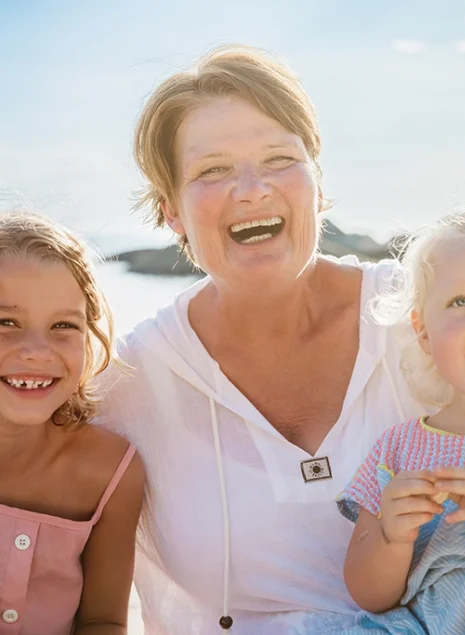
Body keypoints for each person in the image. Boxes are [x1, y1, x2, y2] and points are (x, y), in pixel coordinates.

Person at [96, 45, 428, 635]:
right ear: (170, 210)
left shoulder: (425, 318)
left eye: (278, 158)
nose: (251, 189)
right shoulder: (129, 381)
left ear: (318, 185)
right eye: (212, 169)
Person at [336, 204, 465, 635]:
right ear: (424, 332)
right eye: (461, 301)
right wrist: (392, 539)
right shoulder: (400, 449)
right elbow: (370, 595)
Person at [0, 212, 145, 635]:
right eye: (5, 322)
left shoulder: (111, 472)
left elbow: (103, 621)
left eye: (64, 325)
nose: (35, 350)